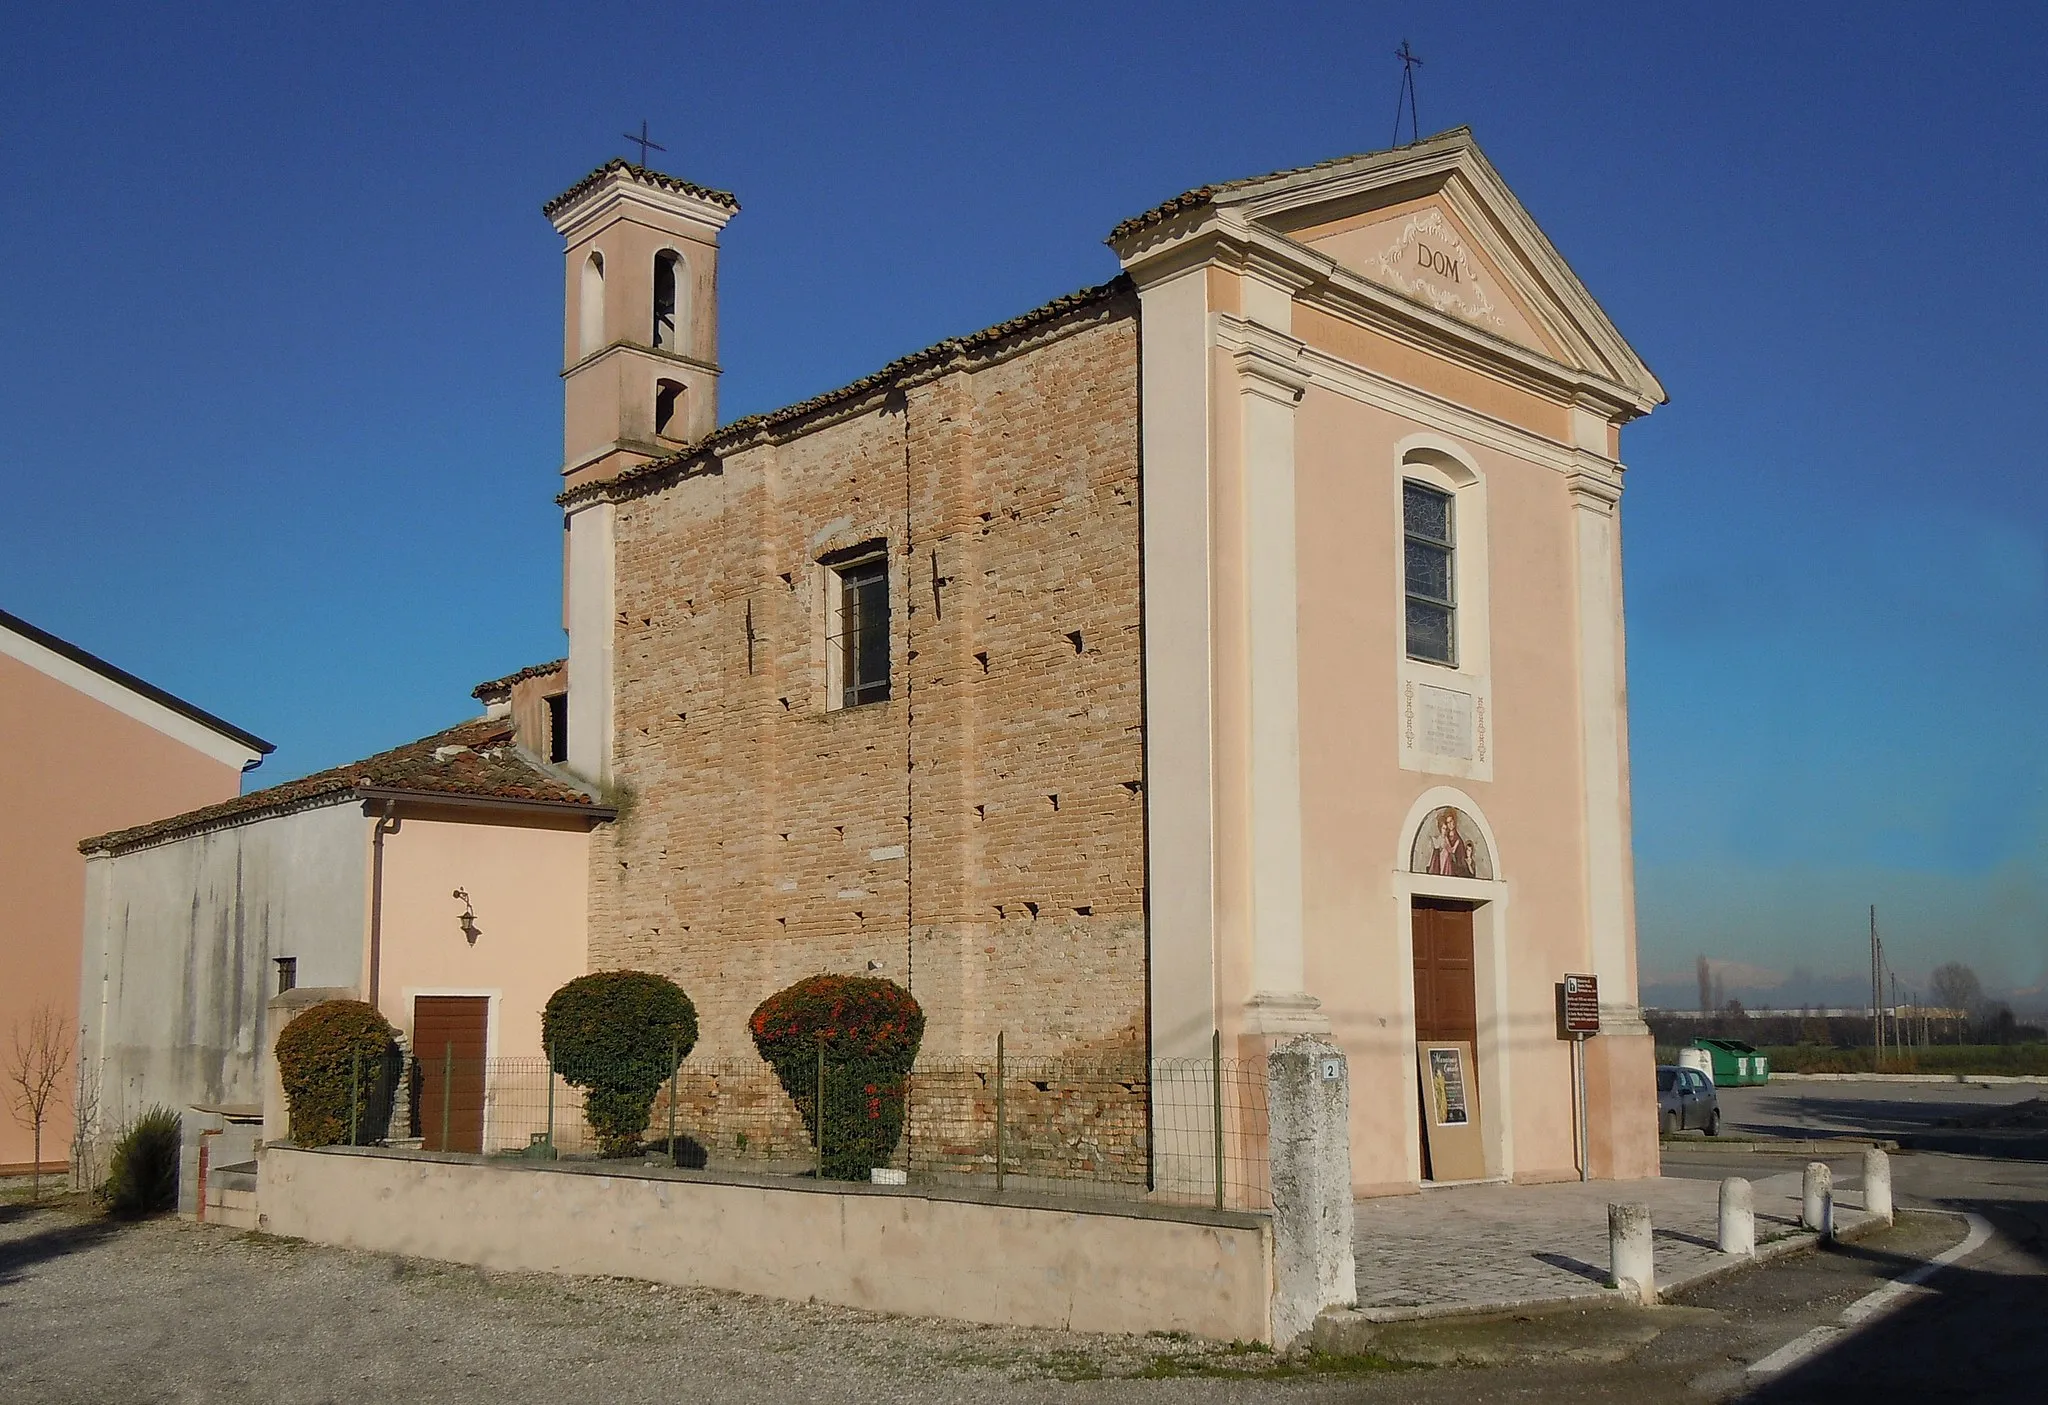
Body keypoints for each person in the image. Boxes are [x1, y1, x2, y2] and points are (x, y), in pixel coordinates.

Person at [1425, 807, 1478, 879]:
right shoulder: (1445, 837)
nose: (1450, 824)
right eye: (1447, 822)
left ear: (1454, 821)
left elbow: (1460, 858)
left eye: (1451, 821)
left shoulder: (1458, 840)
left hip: (1454, 869)